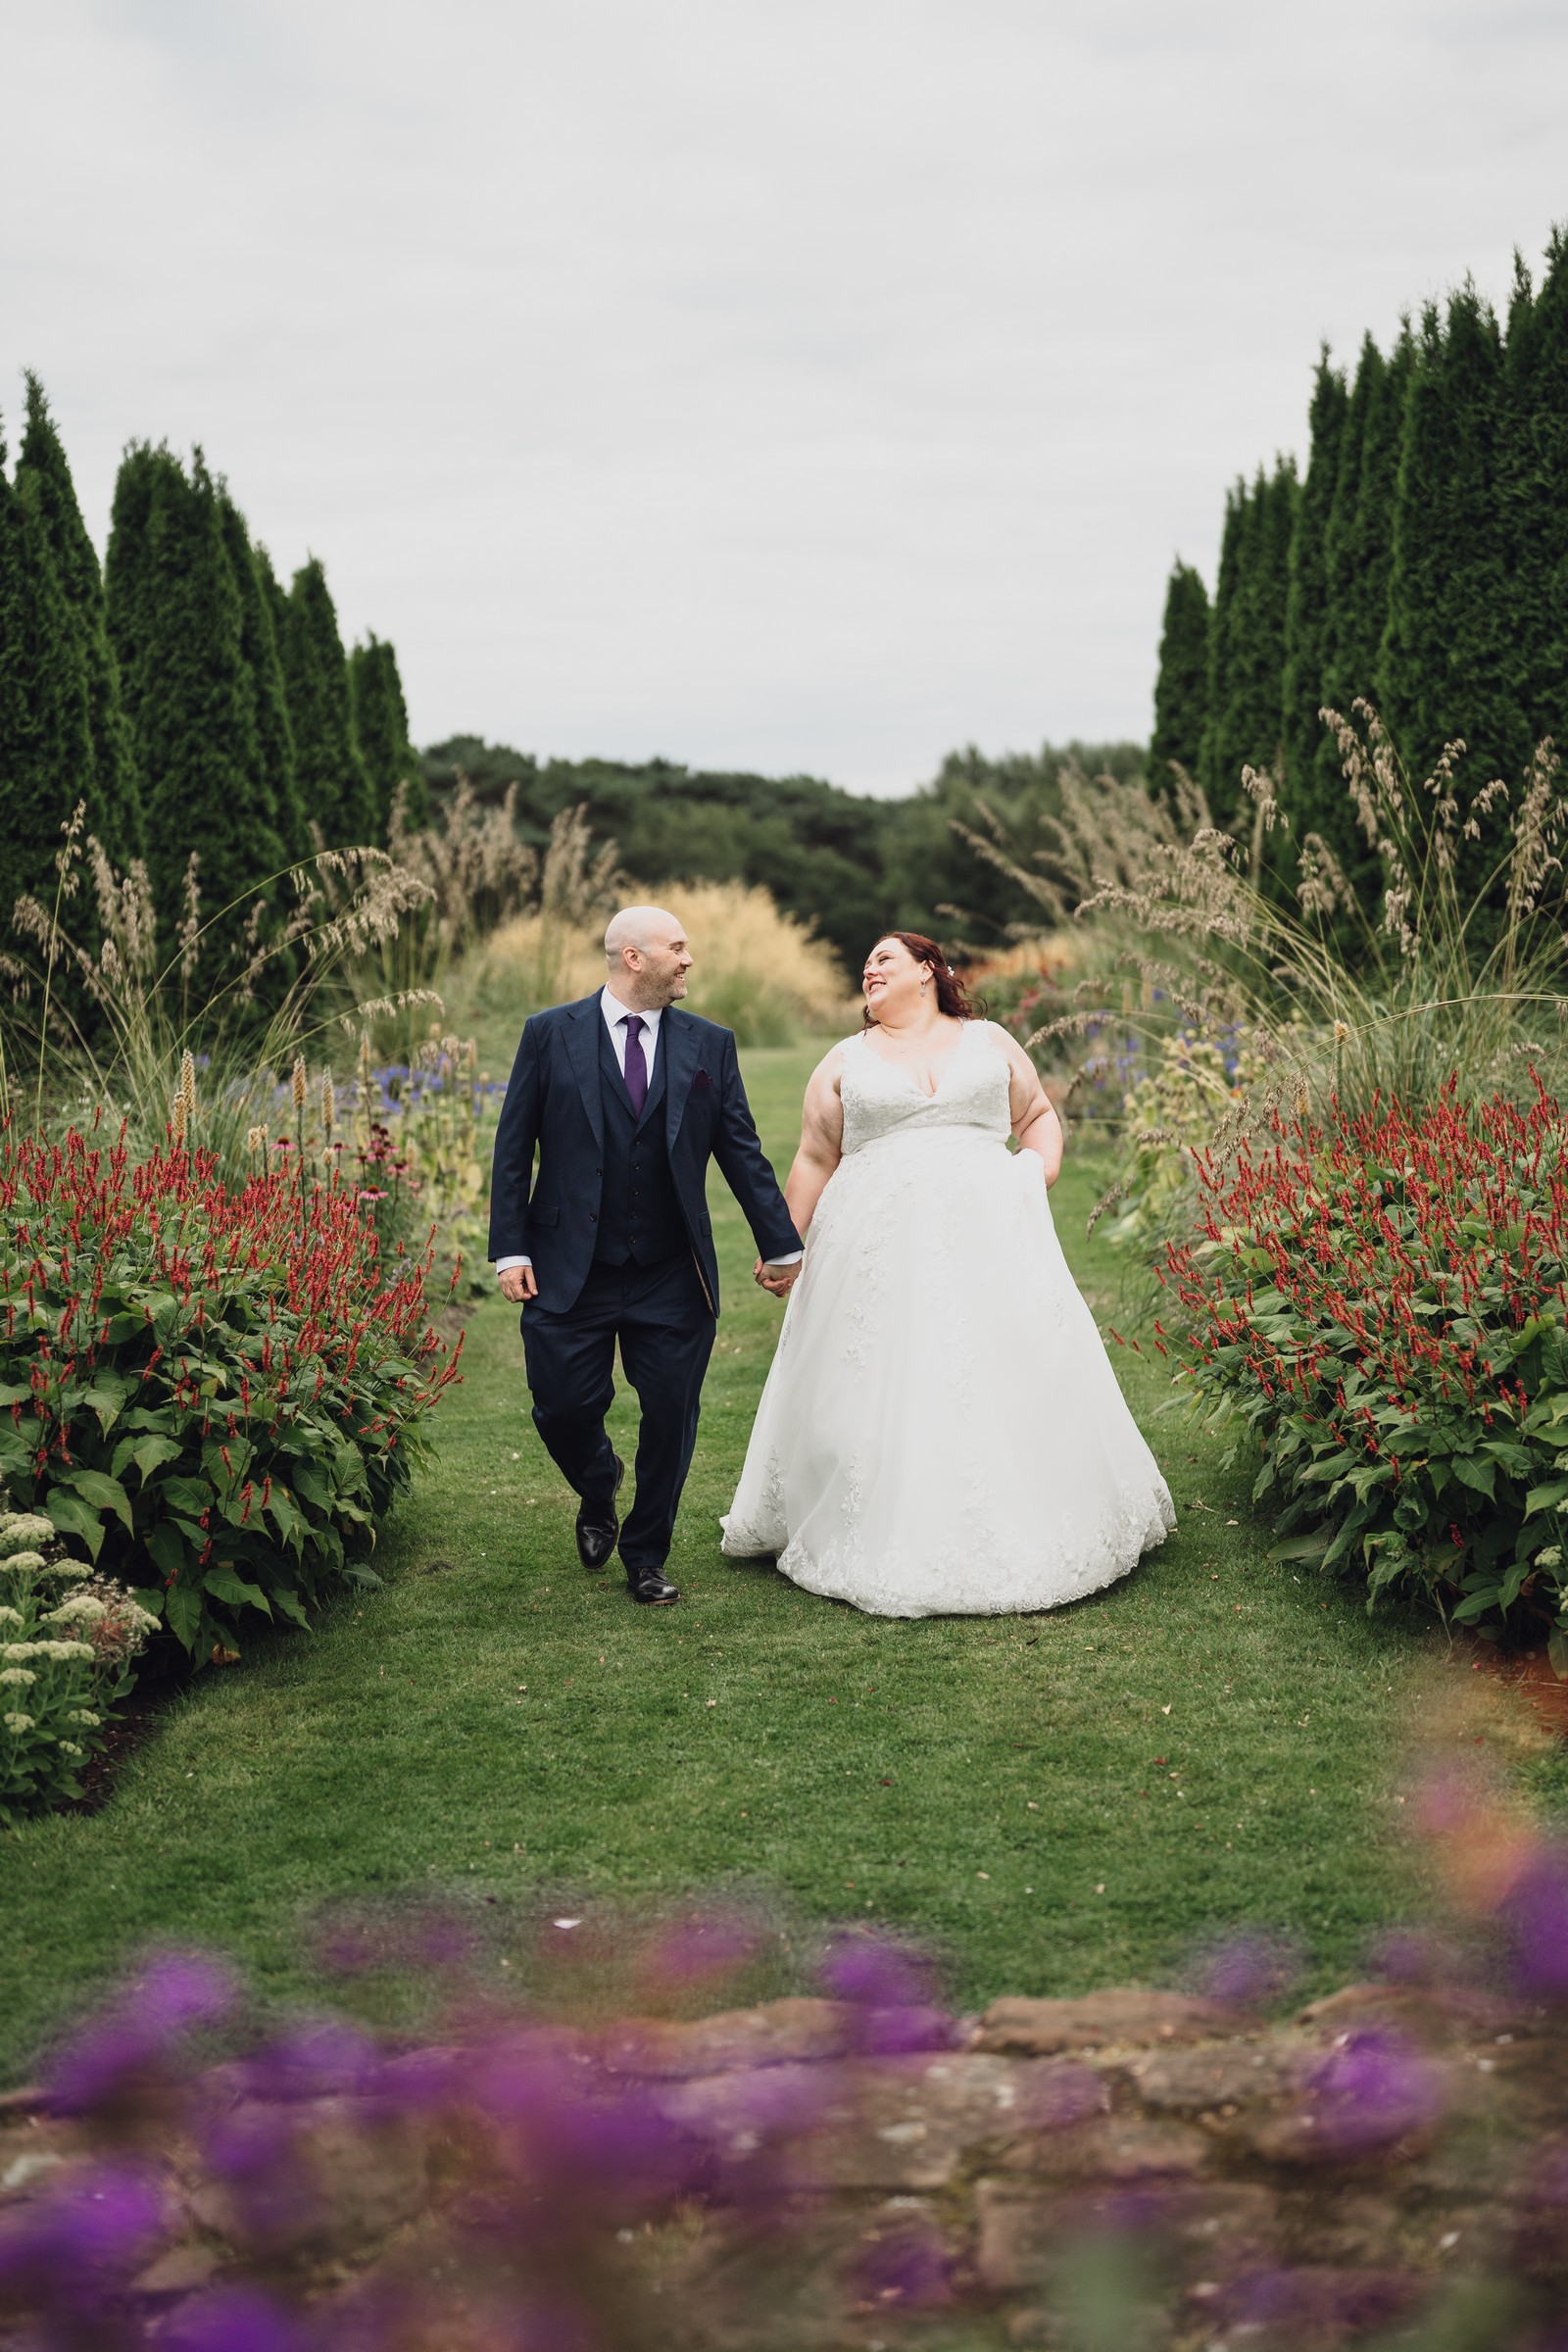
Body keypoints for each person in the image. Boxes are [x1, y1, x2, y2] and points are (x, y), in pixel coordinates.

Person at [721, 931, 1175, 1615]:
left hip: (990, 1235)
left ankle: (1034, 1506)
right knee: (886, 1374)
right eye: (865, 963)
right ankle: (873, 1513)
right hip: (878, 1249)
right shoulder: (844, 1060)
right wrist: (784, 1242)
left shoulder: (988, 1040)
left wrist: (1032, 1174)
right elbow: (816, 1157)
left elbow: (1037, 1116)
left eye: (884, 959)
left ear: (929, 970)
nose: (868, 970)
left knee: (1003, 1365)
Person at [490, 905, 802, 1605]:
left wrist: (779, 1243)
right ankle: (598, 1484)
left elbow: (741, 1151)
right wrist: (509, 1249)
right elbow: (514, 1149)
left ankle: (646, 1553)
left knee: (671, 1411)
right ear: (633, 957)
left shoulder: (710, 1044)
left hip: (669, 1270)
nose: (688, 960)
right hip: (570, 1266)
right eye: (677, 948)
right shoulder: (549, 1034)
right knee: (561, 1406)